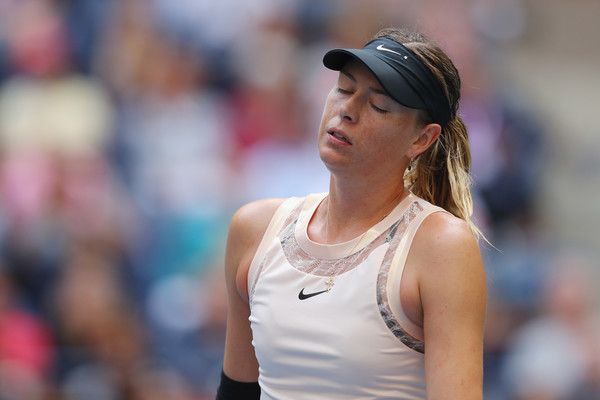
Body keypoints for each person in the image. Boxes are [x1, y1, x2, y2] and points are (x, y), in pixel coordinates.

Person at [217, 27, 487, 399]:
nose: (347, 110)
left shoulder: (442, 246)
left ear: (421, 139)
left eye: (378, 106)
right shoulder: (254, 228)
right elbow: (237, 391)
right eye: (343, 89)